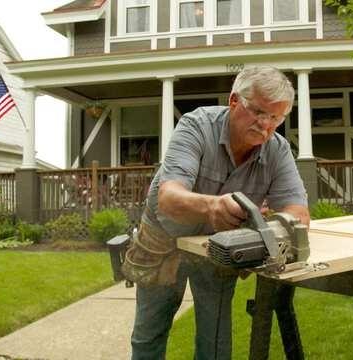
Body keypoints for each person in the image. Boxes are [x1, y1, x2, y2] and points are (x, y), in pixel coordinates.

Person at [129, 66, 310, 359]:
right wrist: (211, 205)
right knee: (149, 333)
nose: (266, 126)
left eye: (276, 118)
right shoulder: (196, 126)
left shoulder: (278, 149)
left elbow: (298, 213)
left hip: (219, 246)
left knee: (215, 341)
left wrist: (267, 227)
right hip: (163, 237)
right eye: (259, 112)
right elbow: (168, 197)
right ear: (234, 101)